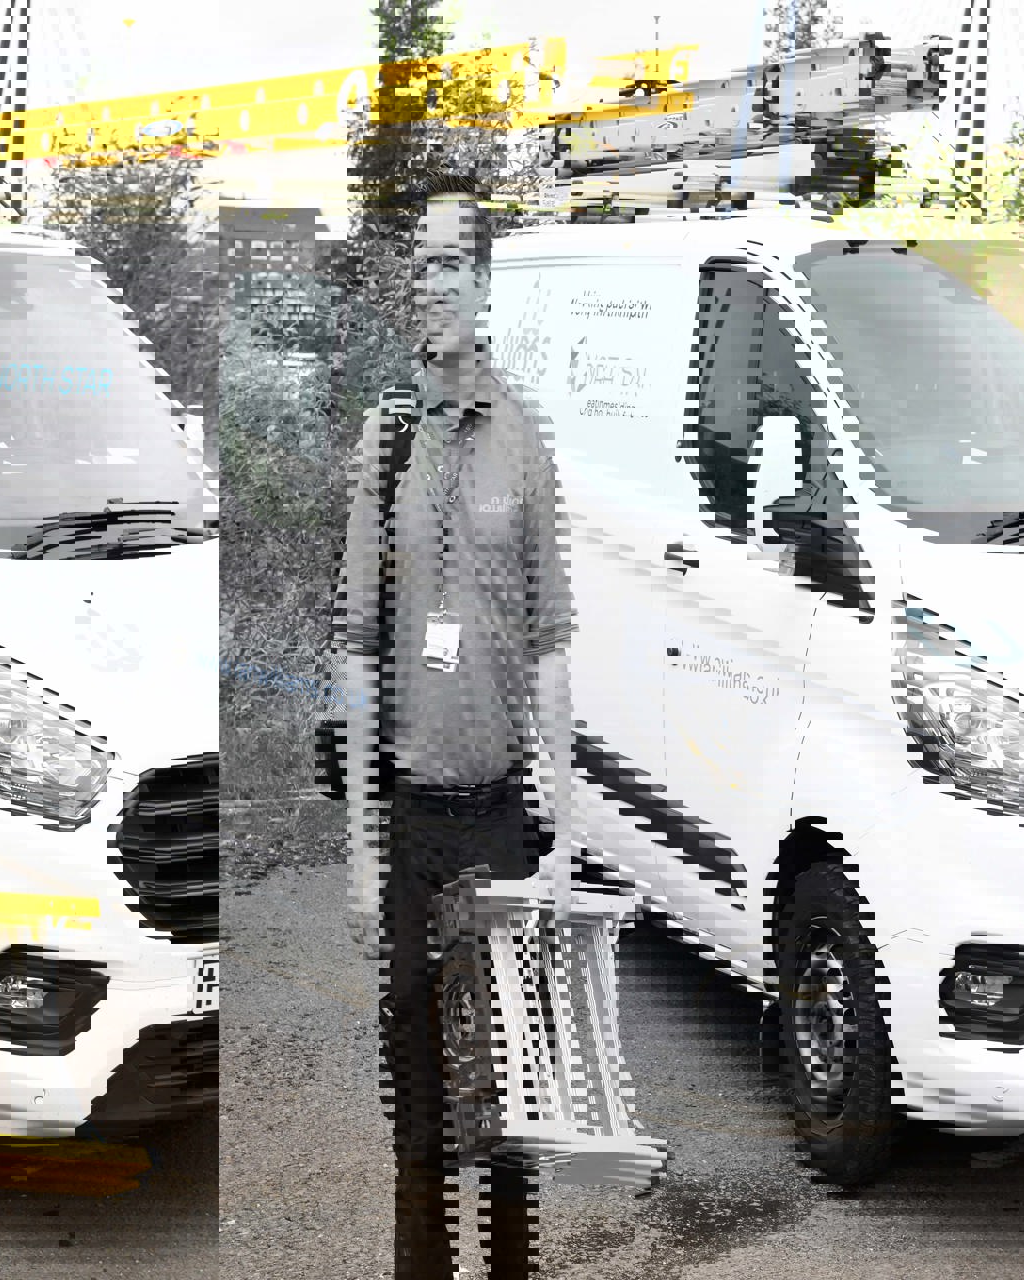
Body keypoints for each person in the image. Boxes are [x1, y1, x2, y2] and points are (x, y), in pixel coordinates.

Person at [336, 192, 578, 1280]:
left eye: (453, 266)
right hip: (408, 819)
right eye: (423, 266)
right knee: (422, 1099)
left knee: (515, 1092)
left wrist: (564, 822)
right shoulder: (384, 443)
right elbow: (352, 643)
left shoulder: (526, 443)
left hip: (501, 814)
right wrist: (354, 846)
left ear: (487, 289)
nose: (434, 282)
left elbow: (552, 644)